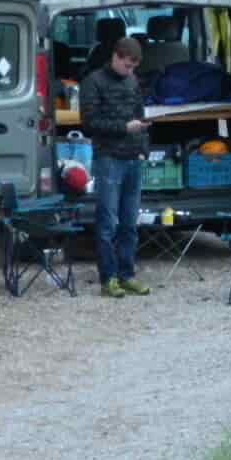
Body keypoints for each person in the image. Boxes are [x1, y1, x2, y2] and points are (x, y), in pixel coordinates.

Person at [80, 36, 152, 298]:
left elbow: (140, 117)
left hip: (133, 158)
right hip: (108, 158)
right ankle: (108, 278)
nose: (130, 71)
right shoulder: (93, 82)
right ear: (116, 56)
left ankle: (127, 275)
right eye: (127, 66)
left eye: (133, 67)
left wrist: (143, 148)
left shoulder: (133, 81)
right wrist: (124, 128)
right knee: (107, 221)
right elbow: (89, 124)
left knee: (130, 223)